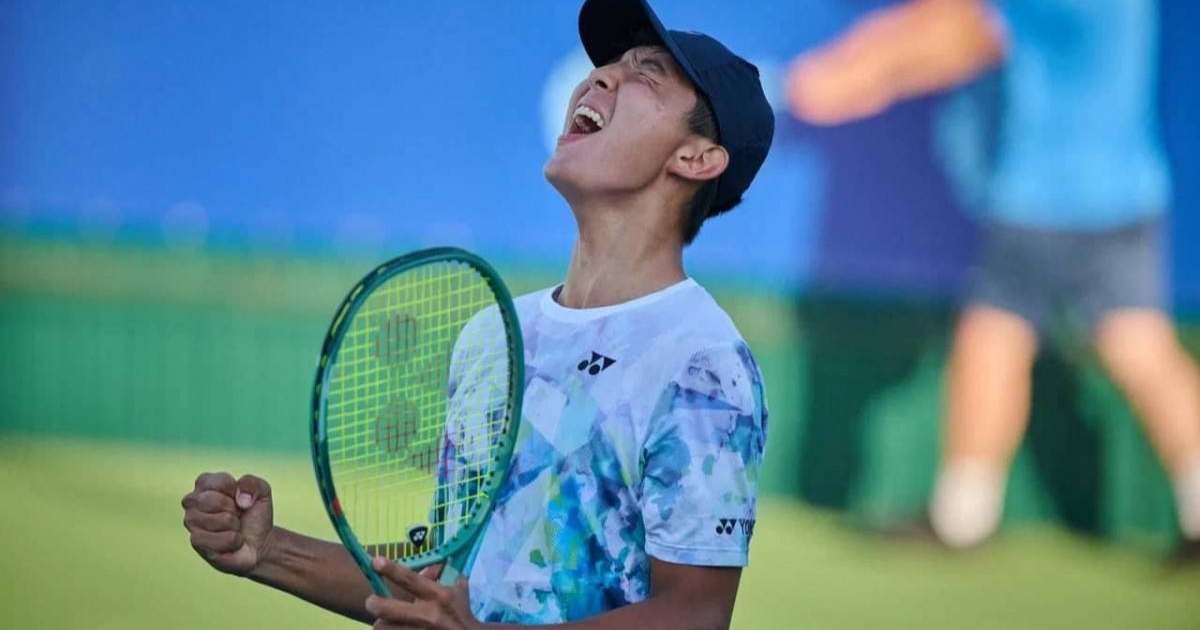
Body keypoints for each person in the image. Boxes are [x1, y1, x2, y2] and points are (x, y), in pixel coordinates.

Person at [181, 0, 775, 627]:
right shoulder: (495, 333)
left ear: (697, 158)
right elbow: (445, 582)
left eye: (646, 74)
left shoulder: (703, 363)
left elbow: (695, 614)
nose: (600, 76)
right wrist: (268, 550)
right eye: (607, 65)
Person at [786, 0, 1200, 555]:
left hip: (1045, 202)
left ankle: (962, 518)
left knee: (999, 338)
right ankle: (964, 516)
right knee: (1116, 343)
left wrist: (843, 79)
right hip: (1125, 193)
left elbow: (952, 31)